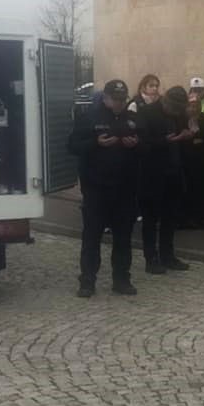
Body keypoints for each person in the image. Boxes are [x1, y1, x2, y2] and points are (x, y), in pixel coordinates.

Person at [68, 79, 142, 298]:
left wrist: (136, 145)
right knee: (92, 237)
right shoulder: (89, 117)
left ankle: (121, 279)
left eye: (122, 99)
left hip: (125, 188)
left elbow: (147, 148)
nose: (119, 103)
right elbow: (72, 146)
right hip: (96, 188)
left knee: (123, 238)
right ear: (106, 98)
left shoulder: (132, 119)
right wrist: (95, 143)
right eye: (115, 99)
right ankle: (87, 281)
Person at [137, 85, 192, 273]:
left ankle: (167, 255)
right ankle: (151, 258)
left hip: (174, 172)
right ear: (165, 101)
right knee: (151, 219)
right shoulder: (147, 113)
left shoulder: (179, 115)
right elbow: (141, 144)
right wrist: (164, 141)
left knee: (170, 218)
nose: (175, 113)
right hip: (152, 174)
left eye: (178, 110)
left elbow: (184, 133)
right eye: (173, 109)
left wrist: (187, 135)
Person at [180, 90, 204, 228]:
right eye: (191, 106)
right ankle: (190, 217)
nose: (194, 108)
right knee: (190, 189)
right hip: (187, 160)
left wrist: (202, 140)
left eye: (196, 105)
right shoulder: (182, 120)